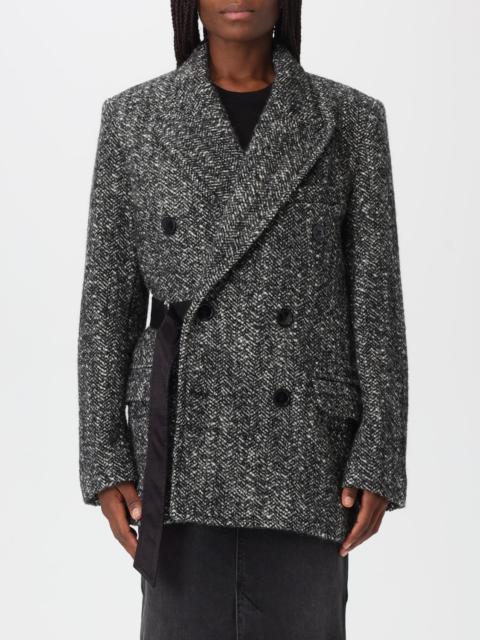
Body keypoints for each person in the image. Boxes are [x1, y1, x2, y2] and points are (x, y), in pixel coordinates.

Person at [77, 1, 408, 637]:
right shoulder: (133, 119)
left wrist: (380, 453)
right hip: (182, 446)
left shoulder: (349, 119)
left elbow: (376, 302)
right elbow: (105, 308)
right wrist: (104, 458)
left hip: (306, 453)